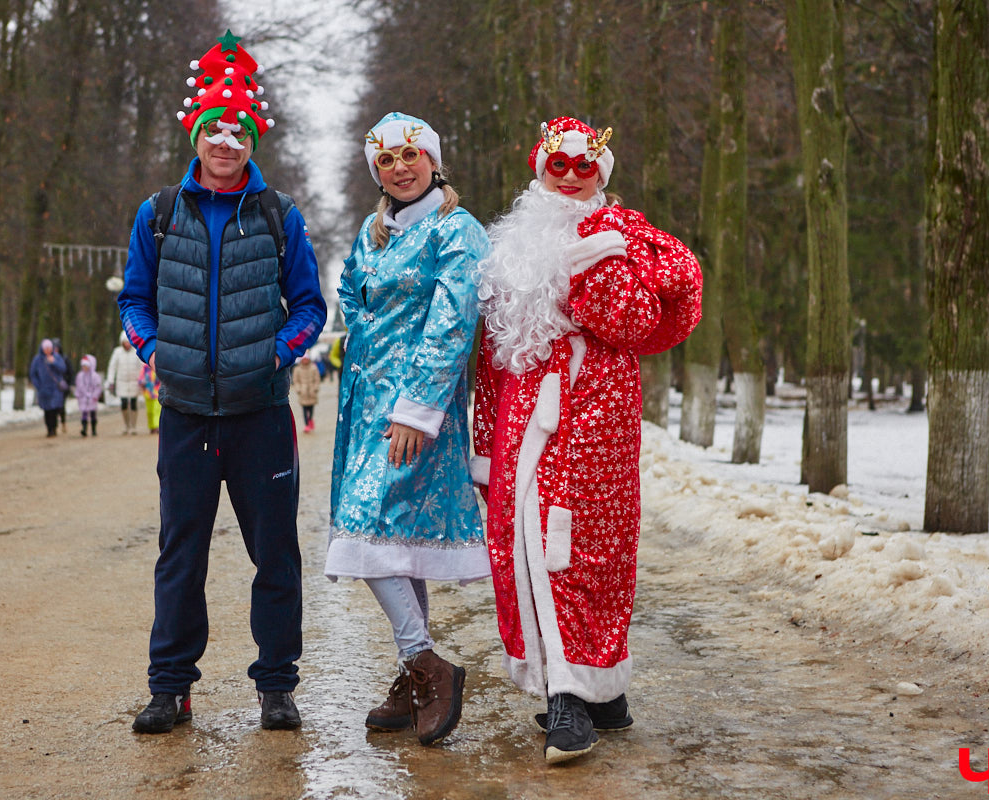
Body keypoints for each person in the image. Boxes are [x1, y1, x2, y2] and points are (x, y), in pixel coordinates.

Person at [472, 117, 703, 764]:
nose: (569, 178)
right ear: (538, 166)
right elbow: (491, 356)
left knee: (586, 546)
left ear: (600, 174)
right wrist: (485, 444)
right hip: (522, 415)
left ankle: (576, 692)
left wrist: (592, 268)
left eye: (583, 168)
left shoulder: (625, 232)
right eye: (558, 165)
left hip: (595, 408)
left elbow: (646, 319)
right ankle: (585, 687)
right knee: (522, 545)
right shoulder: (509, 241)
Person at [118, 30, 326, 735]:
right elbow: (134, 300)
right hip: (184, 413)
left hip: (260, 414)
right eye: (214, 128)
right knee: (181, 555)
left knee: (275, 557)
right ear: (197, 134)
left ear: (252, 141)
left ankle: (276, 686)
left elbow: (311, 308)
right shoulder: (159, 214)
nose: (225, 141)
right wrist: (153, 349)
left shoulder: (278, 216)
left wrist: (276, 351)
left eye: (238, 131)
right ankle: (170, 688)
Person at [326, 112, 489, 746]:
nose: (399, 167)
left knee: (364, 531)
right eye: (385, 160)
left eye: (409, 155)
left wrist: (416, 410)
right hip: (364, 410)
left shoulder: (456, 230)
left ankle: (427, 664)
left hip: (416, 413)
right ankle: (411, 675)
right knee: (390, 537)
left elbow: (453, 322)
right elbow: (355, 302)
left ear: (433, 161)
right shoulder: (374, 234)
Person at [28, 338, 68, 437]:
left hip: (55, 389)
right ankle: (49, 429)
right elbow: (33, 374)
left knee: (54, 409)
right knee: (47, 410)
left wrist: (54, 362)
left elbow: (63, 369)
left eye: (49, 348)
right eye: (45, 348)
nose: (47, 350)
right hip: (43, 389)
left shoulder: (57, 357)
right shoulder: (37, 359)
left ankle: (54, 428)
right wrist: (38, 385)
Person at [106, 332, 143, 434]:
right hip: (121, 382)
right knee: (124, 403)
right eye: (124, 342)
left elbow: (141, 366)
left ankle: (133, 426)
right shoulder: (117, 352)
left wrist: (142, 378)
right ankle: (126, 425)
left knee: (134, 403)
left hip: (134, 382)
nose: (127, 344)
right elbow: (112, 367)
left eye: (128, 342)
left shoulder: (136, 351)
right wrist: (110, 381)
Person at [74, 354, 103, 436]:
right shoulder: (80, 376)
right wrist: (78, 394)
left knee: (93, 413)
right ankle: (84, 428)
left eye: (86, 366)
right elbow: (78, 386)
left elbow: (98, 387)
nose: (84, 368)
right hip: (83, 398)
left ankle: (93, 429)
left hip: (92, 398)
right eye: (83, 366)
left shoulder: (95, 376)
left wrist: (95, 395)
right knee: (84, 413)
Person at [291, 355, 320, 432]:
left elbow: (317, 379)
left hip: (311, 391)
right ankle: (306, 424)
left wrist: (315, 388)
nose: (305, 361)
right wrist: (298, 389)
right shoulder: (297, 369)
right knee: (304, 409)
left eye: (306, 359)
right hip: (303, 392)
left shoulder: (314, 367)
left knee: (311, 408)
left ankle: (310, 419)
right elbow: (295, 380)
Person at [52, 338, 74, 433]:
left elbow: (70, 372)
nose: (55, 350)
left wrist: (70, 384)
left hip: (63, 387)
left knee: (61, 406)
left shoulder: (64, 359)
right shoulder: (49, 359)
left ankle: (63, 423)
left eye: (57, 348)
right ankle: (54, 426)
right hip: (53, 387)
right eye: (54, 348)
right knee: (53, 407)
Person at [139, 361, 161, 434]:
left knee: (156, 410)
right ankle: (151, 426)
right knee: (150, 411)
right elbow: (141, 379)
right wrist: (142, 384)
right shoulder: (145, 368)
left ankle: (156, 426)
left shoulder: (158, 366)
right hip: (148, 393)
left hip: (157, 392)